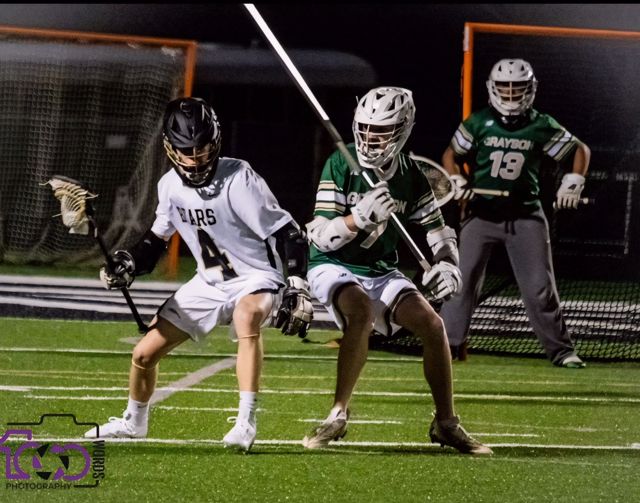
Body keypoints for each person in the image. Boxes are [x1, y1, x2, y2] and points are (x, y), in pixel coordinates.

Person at [84, 97, 313, 452]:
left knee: (246, 316)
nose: (195, 158)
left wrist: (297, 284)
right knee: (143, 354)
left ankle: (245, 422)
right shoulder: (169, 186)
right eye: (186, 151)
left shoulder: (239, 178)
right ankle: (134, 423)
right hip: (209, 282)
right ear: (170, 148)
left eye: (202, 149)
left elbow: (289, 233)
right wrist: (127, 263)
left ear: (215, 142)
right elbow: (156, 241)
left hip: (255, 276)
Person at [302, 86, 492, 455]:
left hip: (380, 269)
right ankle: (338, 414)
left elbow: (438, 233)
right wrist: (357, 219)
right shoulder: (341, 163)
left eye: (381, 131)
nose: (370, 139)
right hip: (333, 264)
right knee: (360, 311)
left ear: (403, 130)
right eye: (365, 129)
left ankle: (446, 423)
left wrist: (448, 264)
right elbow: (321, 237)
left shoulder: (413, 175)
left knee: (433, 325)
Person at [439, 58, 590, 368]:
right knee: (461, 282)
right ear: (492, 88)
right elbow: (451, 154)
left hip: (525, 214)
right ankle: (447, 346)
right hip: (481, 214)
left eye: (517, 86)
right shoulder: (479, 122)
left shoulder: (540, 124)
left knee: (539, 287)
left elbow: (579, 149)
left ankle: (562, 351)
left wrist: (573, 181)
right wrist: (456, 179)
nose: (510, 92)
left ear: (530, 89)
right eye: (504, 86)